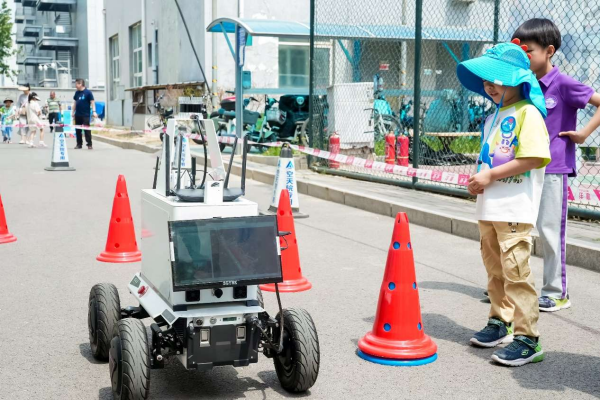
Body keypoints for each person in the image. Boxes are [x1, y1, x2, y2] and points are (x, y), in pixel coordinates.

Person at [456, 41, 551, 366]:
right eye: (485, 80)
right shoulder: (493, 117)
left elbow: (534, 157)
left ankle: (528, 338)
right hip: (490, 209)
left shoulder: (527, 113)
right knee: (495, 270)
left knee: (516, 273)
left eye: (495, 79)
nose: (489, 86)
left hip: (514, 210)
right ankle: (500, 321)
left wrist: (490, 176)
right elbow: (489, 160)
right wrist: (479, 181)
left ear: (516, 79)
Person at [512, 19, 600, 312]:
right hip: (522, 167)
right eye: (519, 51)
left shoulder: (563, 84)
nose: (524, 56)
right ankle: (513, 286)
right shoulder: (523, 84)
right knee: (516, 228)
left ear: (549, 51)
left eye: (529, 51)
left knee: (549, 231)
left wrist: (584, 134)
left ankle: (556, 292)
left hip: (553, 168)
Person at [72, 78, 98, 150]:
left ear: (80, 84)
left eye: (76, 84)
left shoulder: (88, 92)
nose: (75, 85)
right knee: (78, 130)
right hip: (78, 114)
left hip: (85, 115)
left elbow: (92, 102)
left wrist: (94, 111)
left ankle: (89, 144)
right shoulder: (77, 93)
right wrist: (73, 112)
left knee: (87, 130)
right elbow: (75, 103)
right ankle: (79, 144)